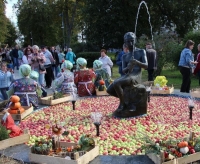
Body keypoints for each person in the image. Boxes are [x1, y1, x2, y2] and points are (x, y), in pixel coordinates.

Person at [107, 32, 148, 111]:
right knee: (109, 90)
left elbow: (146, 66)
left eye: (132, 41)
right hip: (128, 75)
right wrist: (129, 67)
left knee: (117, 83)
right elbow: (124, 70)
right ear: (125, 42)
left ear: (135, 40)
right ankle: (127, 101)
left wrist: (137, 62)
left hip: (136, 76)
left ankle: (122, 104)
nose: (131, 43)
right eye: (128, 41)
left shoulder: (141, 51)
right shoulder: (125, 56)